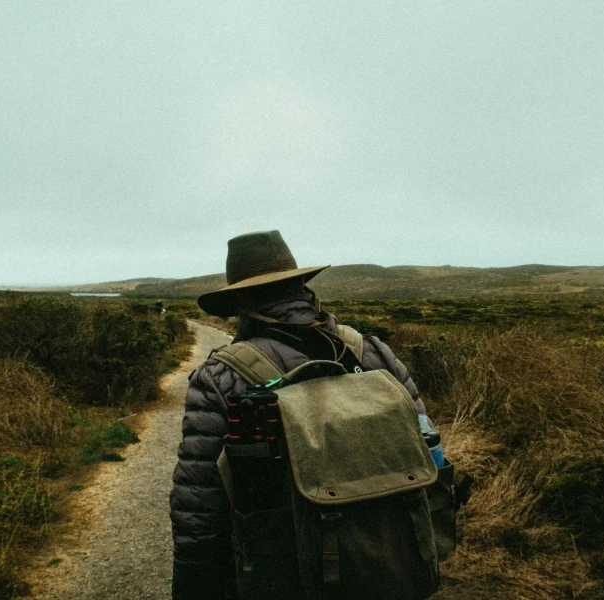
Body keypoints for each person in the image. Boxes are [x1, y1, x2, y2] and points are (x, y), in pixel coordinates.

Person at [169, 230, 431, 600]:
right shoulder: (373, 352)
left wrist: (194, 584)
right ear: (301, 286)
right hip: (389, 559)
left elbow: (199, 501)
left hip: (283, 573)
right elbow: (427, 445)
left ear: (239, 301)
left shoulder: (220, 376)